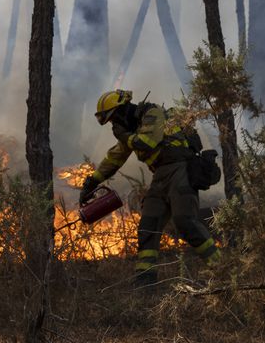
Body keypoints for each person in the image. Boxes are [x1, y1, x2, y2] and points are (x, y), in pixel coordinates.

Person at [79, 89, 220, 286]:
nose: (115, 124)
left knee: (185, 222)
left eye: (114, 118)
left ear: (123, 109)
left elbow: (147, 142)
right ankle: (145, 282)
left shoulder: (152, 114)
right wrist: (91, 183)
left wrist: (125, 136)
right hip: (160, 177)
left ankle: (223, 269)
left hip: (180, 170)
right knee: (148, 227)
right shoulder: (132, 129)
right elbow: (115, 157)